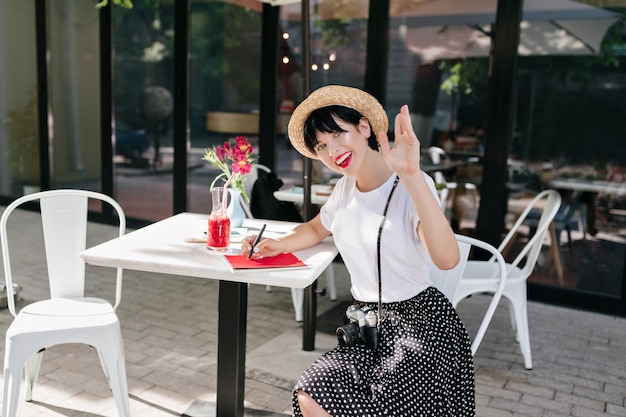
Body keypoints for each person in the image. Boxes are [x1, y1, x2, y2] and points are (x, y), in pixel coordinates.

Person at [241, 85, 475, 416]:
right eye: (322, 146)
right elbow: (316, 228)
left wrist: (410, 175)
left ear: (364, 128)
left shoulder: (411, 185)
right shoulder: (345, 188)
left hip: (418, 329)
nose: (332, 150)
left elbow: (447, 258)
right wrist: (276, 244)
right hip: (367, 327)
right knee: (312, 392)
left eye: (338, 134)